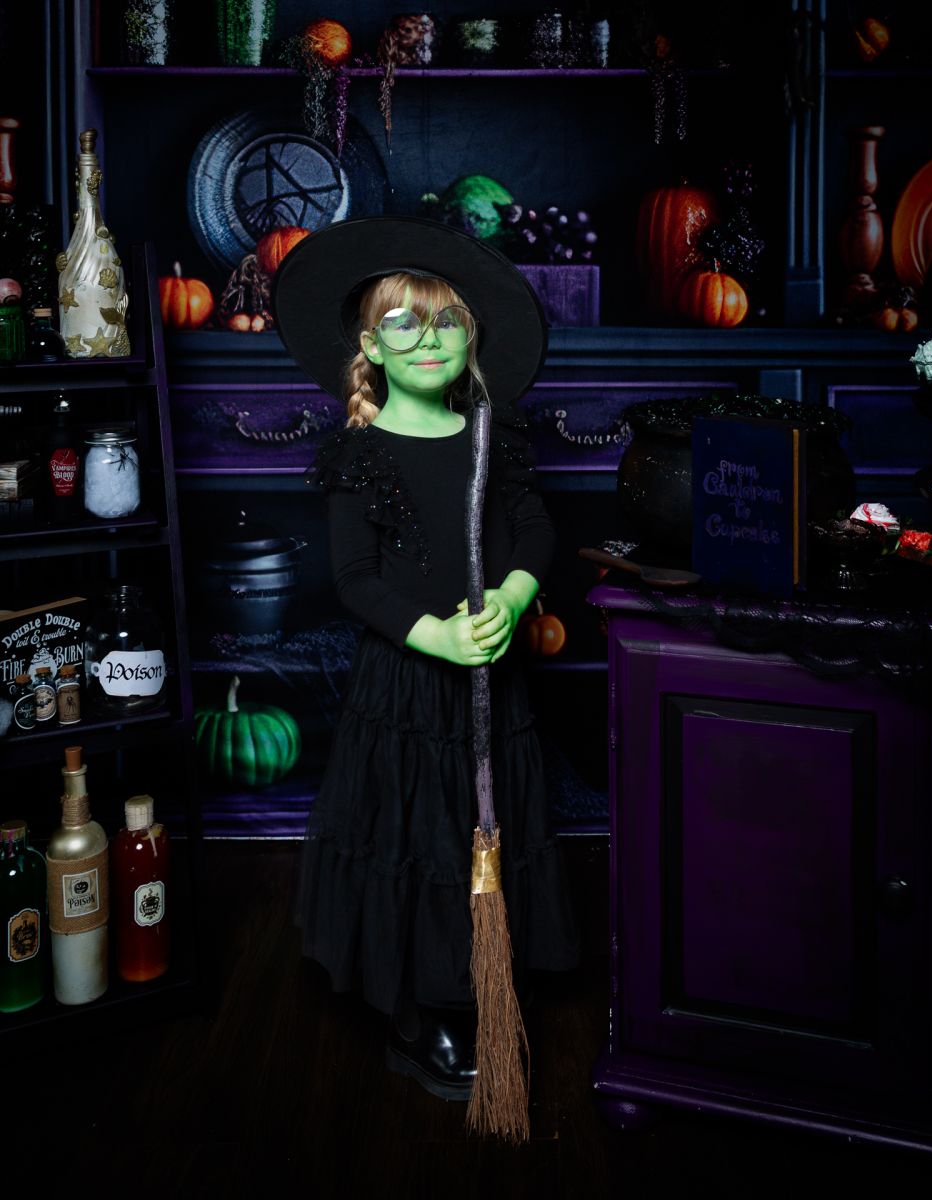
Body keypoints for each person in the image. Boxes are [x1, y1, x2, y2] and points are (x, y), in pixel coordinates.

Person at [273, 216, 579, 1102]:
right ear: (371, 344)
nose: (430, 339)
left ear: (471, 337)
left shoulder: (494, 440)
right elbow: (356, 581)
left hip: (494, 679)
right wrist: (436, 635)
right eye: (405, 323)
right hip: (407, 685)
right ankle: (424, 1004)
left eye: (447, 322)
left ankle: (482, 970)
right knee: (419, 836)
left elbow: (533, 530)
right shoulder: (360, 455)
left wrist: (513, 601)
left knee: (486, 831)